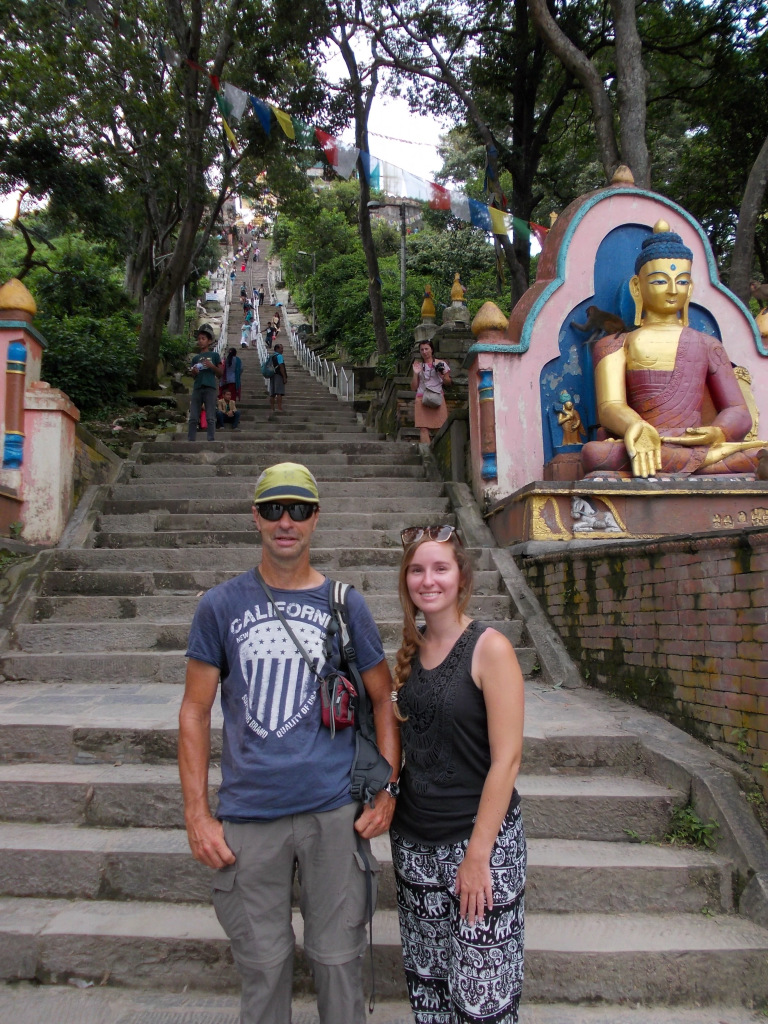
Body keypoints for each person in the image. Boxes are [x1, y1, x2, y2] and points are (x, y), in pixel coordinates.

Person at [179, 462, 400, 1024]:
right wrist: (197, 815)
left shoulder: (346, 604)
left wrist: (388, 788)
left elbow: (383, 698)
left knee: (339, 963)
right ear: (255, 516)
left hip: (333, 813)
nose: (286, 521)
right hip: (250, 816)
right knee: (263, 967)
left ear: (315, 518)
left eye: (298, 510)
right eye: (274, 508)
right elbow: (195, 709)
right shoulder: (220, 606)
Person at [390, 524, 526, 1024]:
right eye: (417, 570)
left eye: (440, 568)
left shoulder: (490, 649)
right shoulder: (407, 657)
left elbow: (507, 759)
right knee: (430, 993)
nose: (429, 580)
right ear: (406, 582)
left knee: (481, 998)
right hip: (414, 847)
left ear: (461, 577)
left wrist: (477, 855)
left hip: (479, 847)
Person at [582, 221, 764, 477]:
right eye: (659, 281)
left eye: (681, 282)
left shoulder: (708, 345)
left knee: (756, 457)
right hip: (640, 439)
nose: (671, 290)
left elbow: (737, 411)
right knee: (595, 455)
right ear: (638, 287)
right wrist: (636, 427)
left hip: (694, 442)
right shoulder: (615, 344)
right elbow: (610, 407)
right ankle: (702, 461)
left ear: (689, 288)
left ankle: (700, 458)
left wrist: (717, 432)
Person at [411, 340, 452, 444]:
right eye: (422, 350)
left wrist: (442, 373)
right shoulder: (419, 365)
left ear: (431, 350)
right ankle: (427, 454)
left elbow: (448, 382)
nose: (424, 352)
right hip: (421, 397)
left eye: (426, 349)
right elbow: (413, 387)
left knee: (441, 426)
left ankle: (439, 452)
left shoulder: (440, 363)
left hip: (437, 396)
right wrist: (416, 373)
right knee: (423, 428)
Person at [188, 326, 222, 442]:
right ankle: (191, 439)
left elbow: (220, 373)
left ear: (209, 341)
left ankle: (211, 439)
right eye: (199, 339)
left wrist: (211, 366)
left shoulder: (215, 356)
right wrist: (194, 372)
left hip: (210, 387)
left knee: (210, 416)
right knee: (193, 416)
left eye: (203, 338)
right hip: (197, 387)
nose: (200, 341)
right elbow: (193, 376)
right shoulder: (195, 358)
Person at [268, 343, 287, 415]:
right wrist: (284, 377)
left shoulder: (271, 356)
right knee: (279, 392)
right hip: (278, 375)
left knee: (272, 393)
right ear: (277, 349)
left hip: (272, 375)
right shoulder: (279, 356)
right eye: (281, 348)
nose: (282, 350)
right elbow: (281, 366)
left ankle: (272, 408)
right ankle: (279, 407)